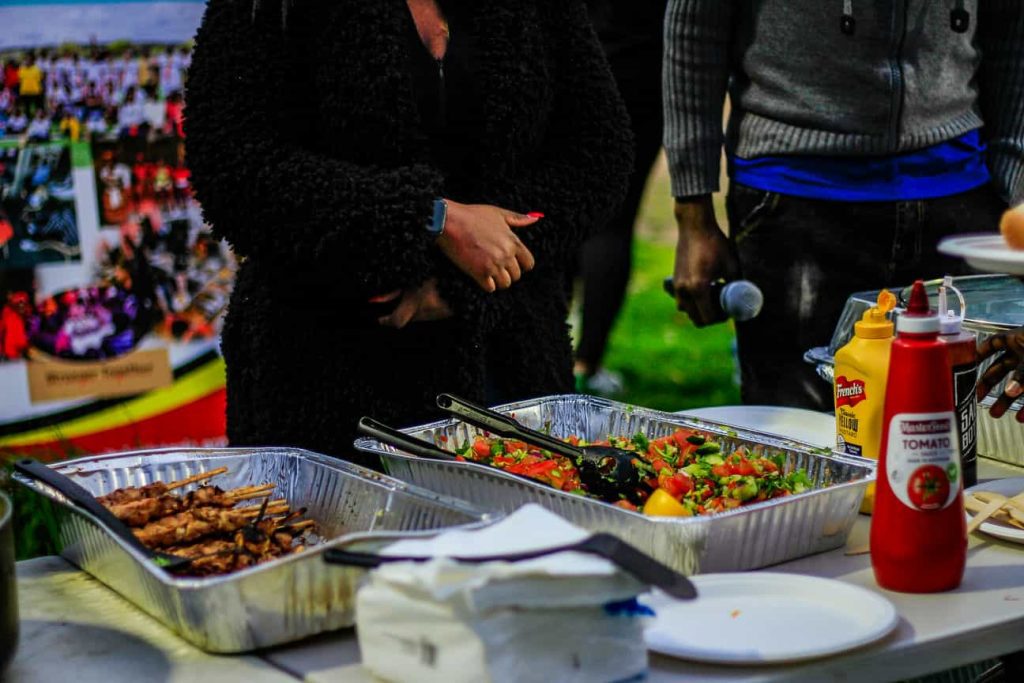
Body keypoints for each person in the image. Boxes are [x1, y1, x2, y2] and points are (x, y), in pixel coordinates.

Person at [186, 0, 632, 466]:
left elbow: (600, 153)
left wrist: (470, 276)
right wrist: (429, 219)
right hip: (324, 378)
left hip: (510, 369)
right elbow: (232, 164)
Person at [665, 0, 1023, 411]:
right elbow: (696, 25)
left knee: (965, 432)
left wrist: (1015, 193)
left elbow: (1013, 31)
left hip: (962, 198)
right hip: (795, 199)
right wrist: (693, 214)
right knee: (801, 435)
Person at [574, 0, 667, 396]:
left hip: (575, 69)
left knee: (558, 214)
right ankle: (585, 362)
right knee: (612, 223)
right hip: (637, 75)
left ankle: (566, 356)